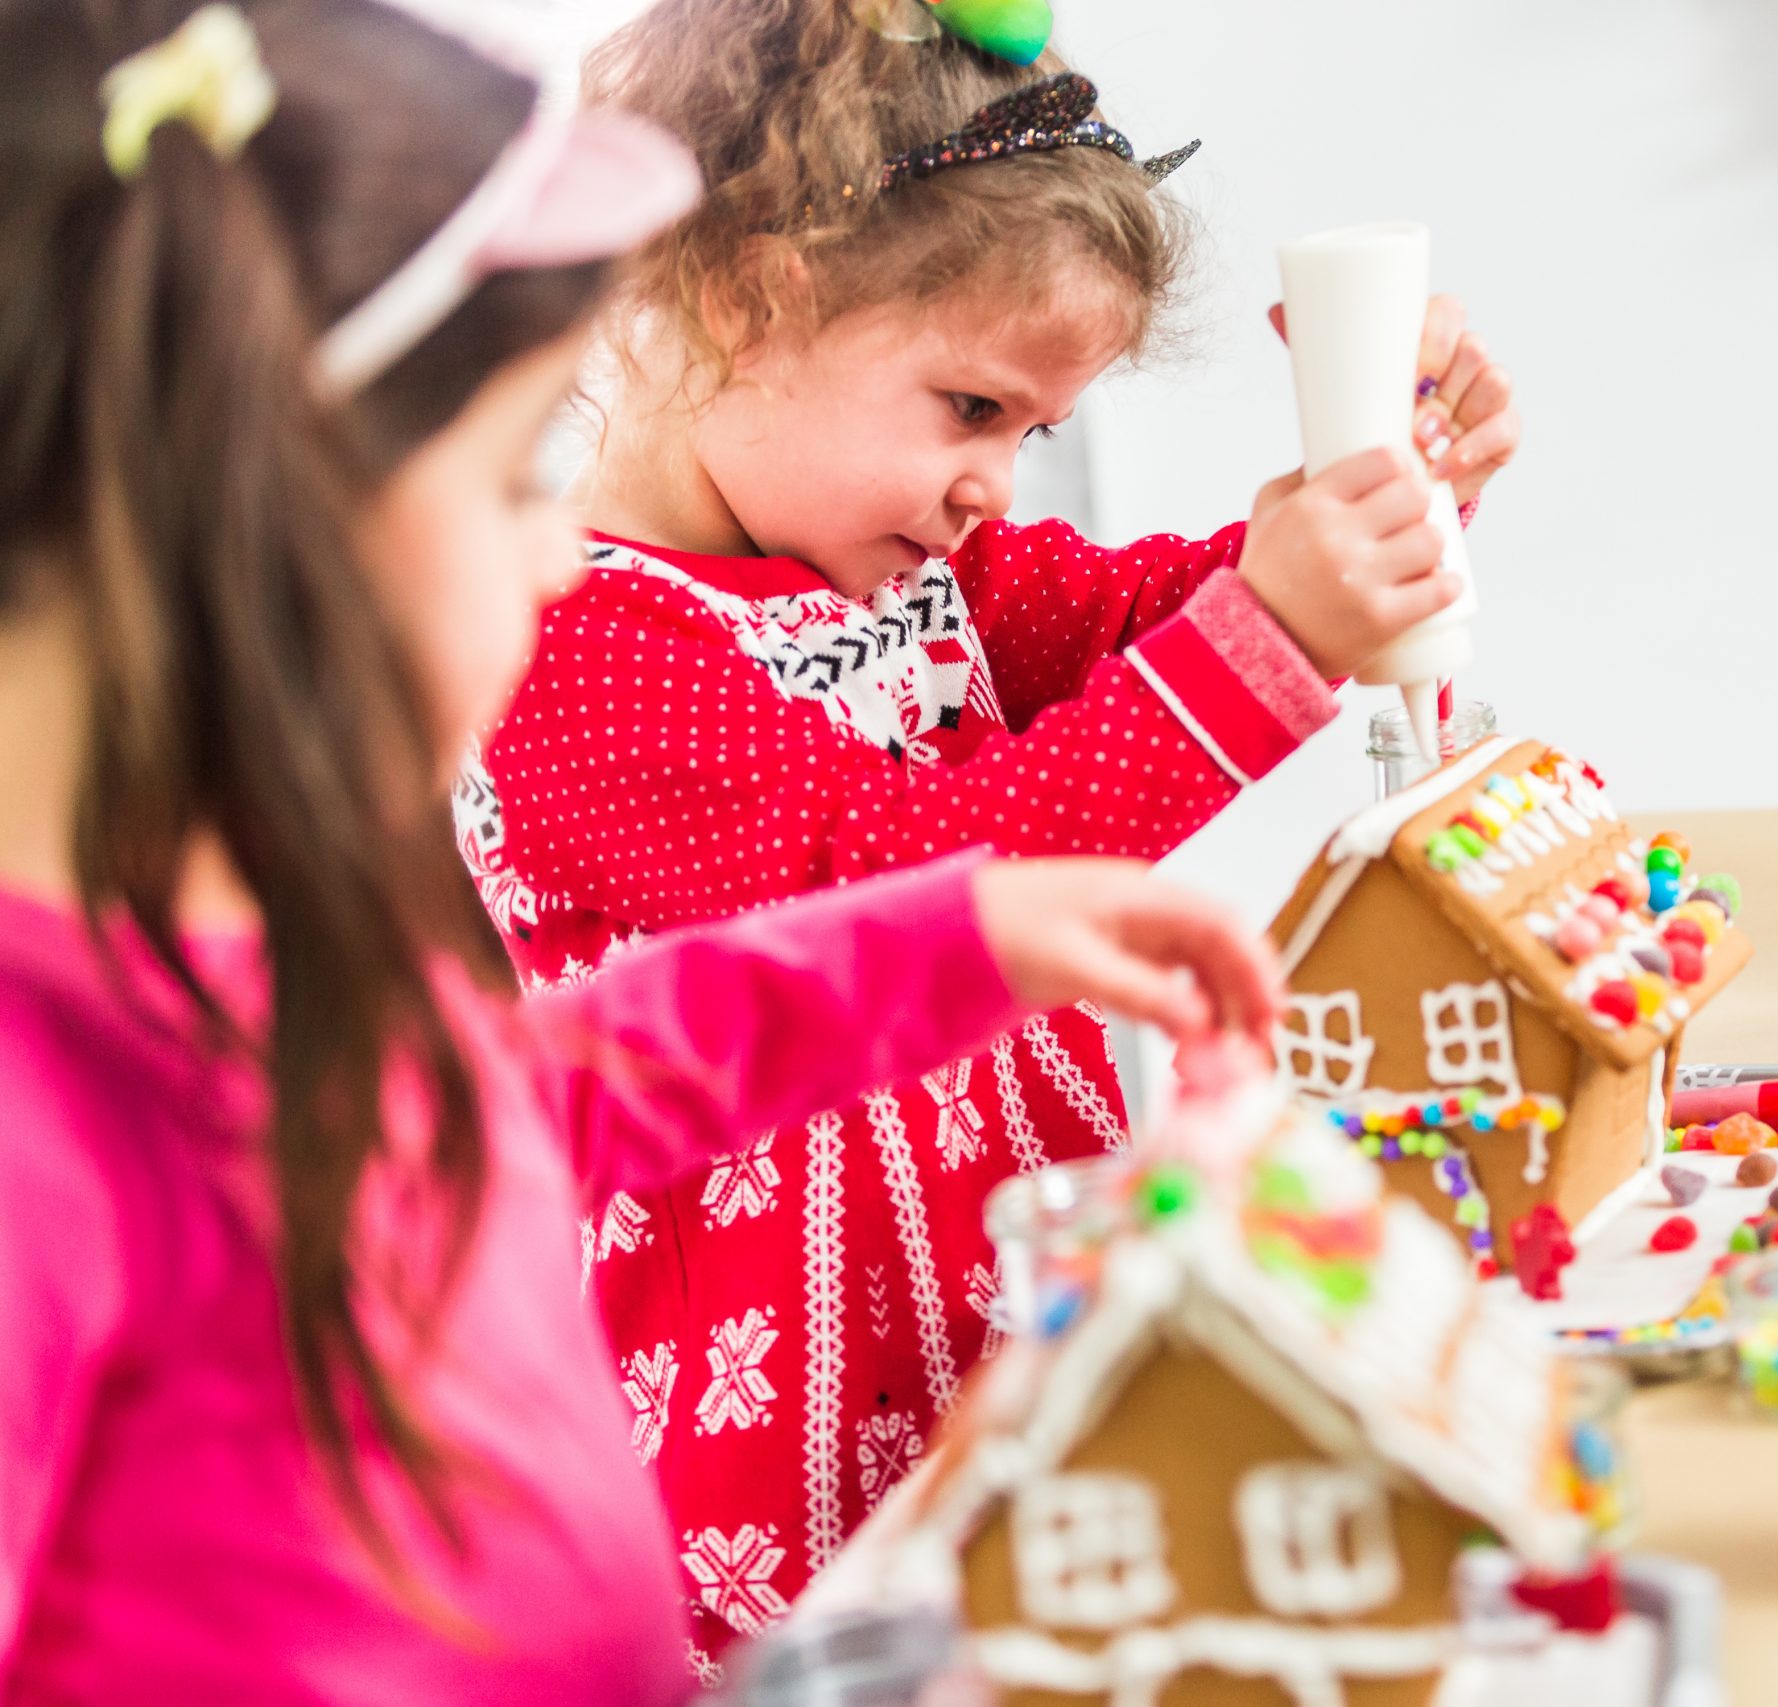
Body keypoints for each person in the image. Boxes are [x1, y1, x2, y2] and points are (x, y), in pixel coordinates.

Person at [0, 3, 1277, 1699]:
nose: (555, 556)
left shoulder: (260, 942)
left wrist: (958, 945)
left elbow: (506, 1116)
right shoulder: (33, 1135)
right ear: (262, 504)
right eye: (516, 476)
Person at [460, 1, 1521, 1663]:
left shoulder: (898, 572)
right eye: (969, 409)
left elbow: (1149, 611)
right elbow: (915, 891)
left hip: (993, 1333)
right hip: (771, 1448)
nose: (1002, 492)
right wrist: (1283, 631)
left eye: (1034, 432)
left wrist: (1367, 514)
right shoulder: (575, 658)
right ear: (747, 294)